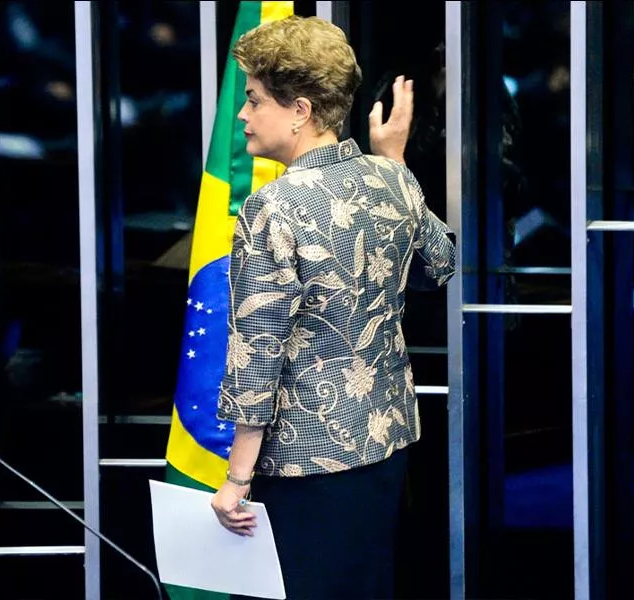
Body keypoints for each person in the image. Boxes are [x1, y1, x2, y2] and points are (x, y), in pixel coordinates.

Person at [210, 16, 456, 599]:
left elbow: (257, 350)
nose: (242, 114)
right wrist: (394, 163)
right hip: (386, 443)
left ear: (300, 110)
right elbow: (440, 265)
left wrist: (236, 478)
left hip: (305, 459)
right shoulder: (390, 177)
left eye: (254, 99)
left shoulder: (273, 207)